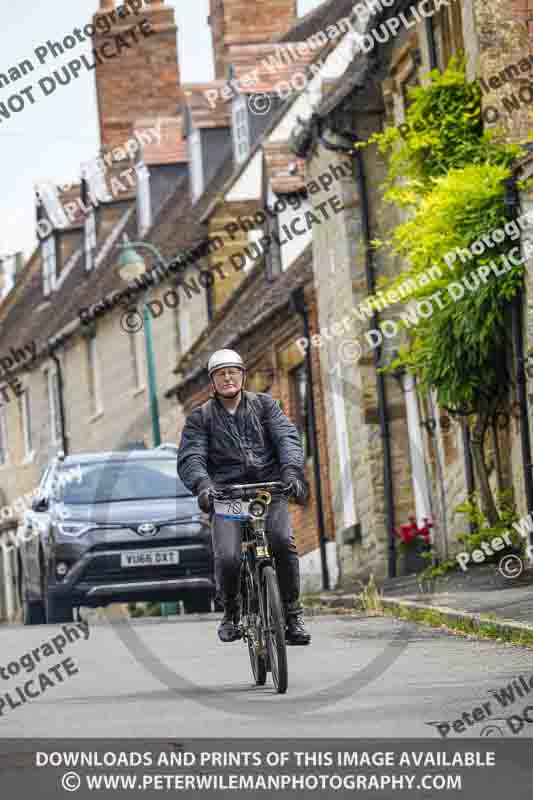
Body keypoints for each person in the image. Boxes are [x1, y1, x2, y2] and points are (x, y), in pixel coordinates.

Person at [177, 349, 311, 646]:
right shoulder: (201, 418)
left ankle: (292, 614)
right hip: (229, 498)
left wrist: (290, 471)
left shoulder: (265, 406)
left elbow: (287, 438)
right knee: (228, 557)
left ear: (242, 375)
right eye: (220, 373)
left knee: (282, 543)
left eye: (232, 371)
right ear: (212, 382)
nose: (227, 377)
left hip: (267, 492)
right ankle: (232, 611)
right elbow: (192, 457)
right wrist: (203, 484)